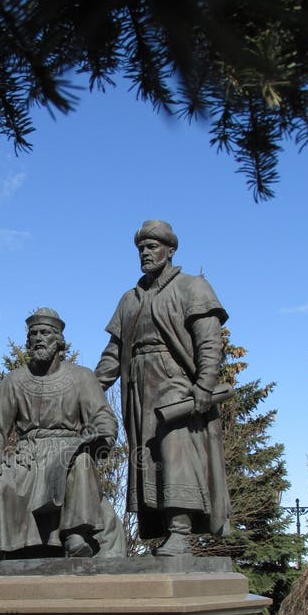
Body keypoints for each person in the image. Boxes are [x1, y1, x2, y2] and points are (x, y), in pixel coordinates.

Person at [95, 219, 230, 555]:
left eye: (152, 246)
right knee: (149, 457)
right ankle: (165, 529)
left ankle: (181, 531)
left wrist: (204, 385)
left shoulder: (192, 287)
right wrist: (90, 389)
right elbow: (113, 354)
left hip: (176, 383)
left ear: (170, 250)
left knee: (176, 449)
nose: (145, 252)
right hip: (139, 388)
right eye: (141, 247)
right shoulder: (130, 299)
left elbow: (210, 342)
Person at [0, 308, 125, 557]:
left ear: (59, 340)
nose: (38, 338)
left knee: (82, 461)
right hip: (28, 458)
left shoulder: (82, 377)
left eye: (45, 332)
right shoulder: (14, 380)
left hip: (69, 452)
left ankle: (75, 535)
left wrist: (100, 439)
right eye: (33, 334)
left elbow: (103, 417)